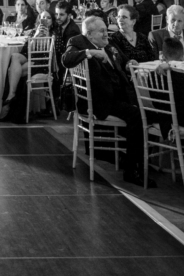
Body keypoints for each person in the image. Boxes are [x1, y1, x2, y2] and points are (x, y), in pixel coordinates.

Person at [62, 16, 153, 187]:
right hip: (99, 100)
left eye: (106, 29)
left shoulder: (109, 44)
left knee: (151, 108)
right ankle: (132, 170)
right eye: (102, 31)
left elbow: (124, 61)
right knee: (137, 115)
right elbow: (66, 59)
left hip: (119, 95)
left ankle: (142, 160)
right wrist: (90, 53)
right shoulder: (78, 42)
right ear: (89, 34)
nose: (107, 34)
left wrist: (129, 64)